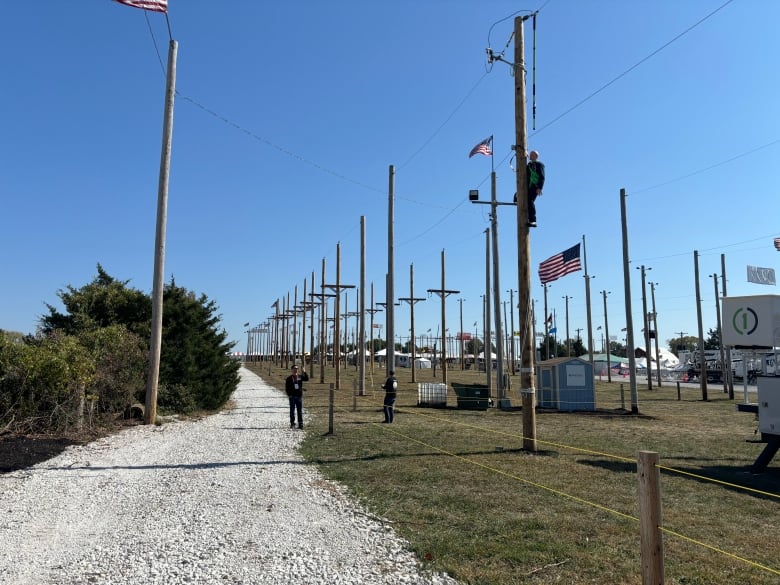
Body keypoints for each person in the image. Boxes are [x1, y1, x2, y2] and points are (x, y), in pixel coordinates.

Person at [285, 364, 309, 429]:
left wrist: (304, 371)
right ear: (292, 370)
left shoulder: (300, 377)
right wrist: (289, 395)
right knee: (292, 411)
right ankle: (292, 423)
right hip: (292, 397)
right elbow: (286, 388)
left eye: (297, 368)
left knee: (299, 411)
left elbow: (307, 379)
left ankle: (300, 424)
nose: (296, 370)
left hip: (299, 397)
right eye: (294, 368)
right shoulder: (289, 378)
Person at [527, 150, 545, 227]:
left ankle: (533, 220)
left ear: (536, 156)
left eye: (532, 154)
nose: (530, 156)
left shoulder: (539, 164)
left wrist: (540, 187)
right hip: (527, 186)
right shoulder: (529, 165)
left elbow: (542, 176)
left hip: (535, 186)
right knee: (519, 196)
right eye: (530, 154)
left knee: (529, 201)